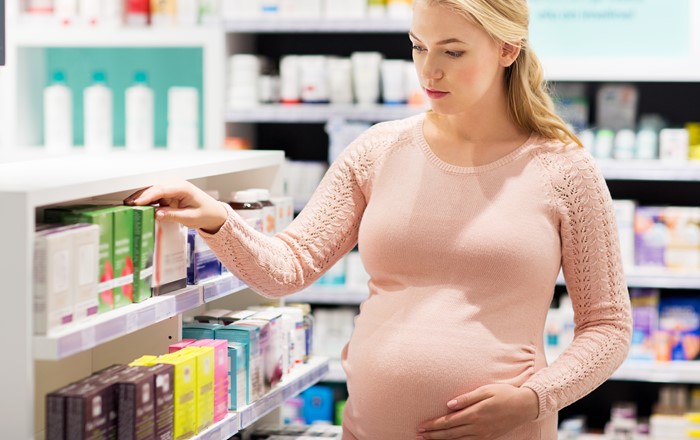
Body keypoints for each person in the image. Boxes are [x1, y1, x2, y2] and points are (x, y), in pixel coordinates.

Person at [125, 0, 632, 438]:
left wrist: (534, 399)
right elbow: (290, 265)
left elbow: (607, 327)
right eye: (418, 46)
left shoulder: (563, 169)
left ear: (507, 49)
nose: (429, 70)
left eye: (453, 51)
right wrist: (217, 220)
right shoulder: (379, 149)